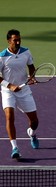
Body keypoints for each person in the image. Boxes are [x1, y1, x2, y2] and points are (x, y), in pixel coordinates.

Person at [0, 29, 39, 159]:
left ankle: (32, 133)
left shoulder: (26, 52)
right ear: (8, 41)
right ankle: (14, 147)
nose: (17, 42)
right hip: (8, 91)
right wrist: (9, 86)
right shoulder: (2, 56)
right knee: (9, 116)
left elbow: (31, 66)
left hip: (24, 90)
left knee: (34, 121)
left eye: (19, 39)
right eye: (14, 40)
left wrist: (32, 77)